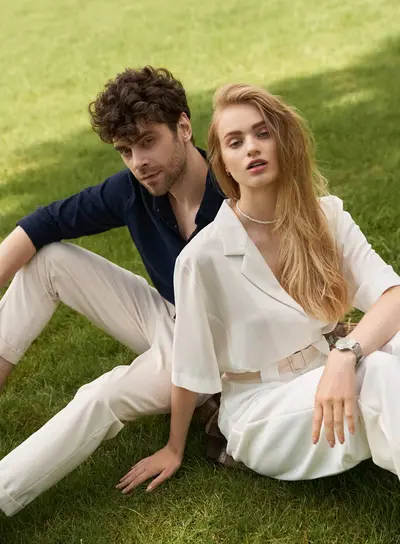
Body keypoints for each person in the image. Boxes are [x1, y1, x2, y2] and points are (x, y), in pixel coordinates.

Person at [118, 83, 400, 494]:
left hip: (329, 367)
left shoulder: (327, 216)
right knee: (376, 375)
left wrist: (343, 355)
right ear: (224, 164)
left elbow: (392, 295)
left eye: (262, 133)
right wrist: (174, 448)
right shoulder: (202, 258)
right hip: (263, 407)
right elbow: (188, 367)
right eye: (236, 142)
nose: (252, 147)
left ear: (283, 141)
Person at [0, 67, 225, 516]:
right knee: (49, 260)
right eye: (125, 150)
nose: (138, 161)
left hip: (215, 354)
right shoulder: (135, 191)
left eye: (147, 142)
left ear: (183, 127)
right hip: (169, 315)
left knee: (100, 395)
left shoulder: (234, 193)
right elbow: (45, 221)